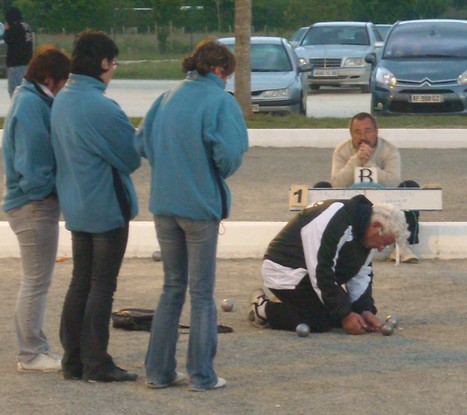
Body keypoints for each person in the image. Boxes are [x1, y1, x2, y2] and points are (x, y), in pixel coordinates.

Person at [137, 40, 248, 391]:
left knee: (172, 288)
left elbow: (140, 143)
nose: (227, 80)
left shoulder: (166, 96)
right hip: (199, 207)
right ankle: (202, 375)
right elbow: (229, 155)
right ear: (219, 70)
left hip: (163, 204)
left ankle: (158, 372)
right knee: (201, 293)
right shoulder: (220, 101)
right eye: (227, 74)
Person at [51, 30, 141, 382]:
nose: (114, 70)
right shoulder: (102, 106)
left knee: (80, 282)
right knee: (102, 286)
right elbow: (130, 157)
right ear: (103, 62)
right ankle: (96, 362)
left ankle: (73, 360)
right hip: (106, 207)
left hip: (76, 205)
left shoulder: (62, 98)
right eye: (114, 63)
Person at [248, 195, 408, 335]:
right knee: (321, 321)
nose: (381, 249)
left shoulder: (365, 229)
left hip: (311, 275)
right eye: (384, 243)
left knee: (344, 313)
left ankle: (295, 302)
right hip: (284, 270)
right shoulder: (335, 220)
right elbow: (321, 271)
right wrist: (345, 315)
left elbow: (361, 273)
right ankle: (263, 309)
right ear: (376, 226)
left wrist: (364, 310)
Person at [3, 46, 70, 373]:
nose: (66, 85)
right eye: (64, 79)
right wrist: (45, 193)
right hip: (33, 204)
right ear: (49, 78)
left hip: (31, 202)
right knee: (36, 281)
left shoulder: (29, 98)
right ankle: (31, 353)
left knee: (36, 279)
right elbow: (31, 161)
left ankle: (33, 349)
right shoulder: (31, 104)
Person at [314, 112, 421, 263]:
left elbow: (393, 183)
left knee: (410, 188)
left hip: (384, 200)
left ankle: (404, 246)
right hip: (351, 201)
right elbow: (337, 184)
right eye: (357, 132)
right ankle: (322, 244)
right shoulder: (342, 150)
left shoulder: (389, 150)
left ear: (376, 131)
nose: (362, 137)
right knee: (320, 188)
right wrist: (356, 160)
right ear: (351, 133)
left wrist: (369, 163)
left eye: (368, 131)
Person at [3, 7, 34, 97]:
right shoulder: (26, 26)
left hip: (16, 62)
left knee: (14, 90)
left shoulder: (14, 26)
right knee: (26, 88)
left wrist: (7, 29)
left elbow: (8, 39)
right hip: (28, 61)